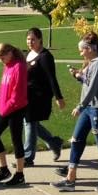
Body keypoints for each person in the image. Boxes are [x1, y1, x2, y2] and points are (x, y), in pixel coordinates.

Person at [51, 32, 98, 192]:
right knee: (76, 139)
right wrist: (79, 76)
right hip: (89, 108)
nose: (81, 53)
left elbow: (93, 88)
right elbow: (89, 82)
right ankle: (70, 179)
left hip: (97, 109)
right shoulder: (93, 62)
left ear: (90, 48)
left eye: (82, 50)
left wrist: (80, 106)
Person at [0, 43, 30, 186]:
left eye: (2, 57)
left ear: (10, 52)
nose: (1, 60)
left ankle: (20, 174)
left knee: (16, 140)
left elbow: (17, 94)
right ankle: (4, 169)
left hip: (16, 108)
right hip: (5, 108)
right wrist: (0, 103)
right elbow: (3, 87)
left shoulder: (19, 67)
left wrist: (6, 108)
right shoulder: (8, 66)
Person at [23, 28, 65, 165]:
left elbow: (52, 78)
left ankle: (27, 157)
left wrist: (59, 97)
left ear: (40, 39)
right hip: (27, 96)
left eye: (33, 39)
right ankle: (54, 142)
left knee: (29, 123)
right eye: (28, 39)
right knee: (31, 123)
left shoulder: (46, 56)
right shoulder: (28, 54)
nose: (30, 42)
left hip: (40, 97)